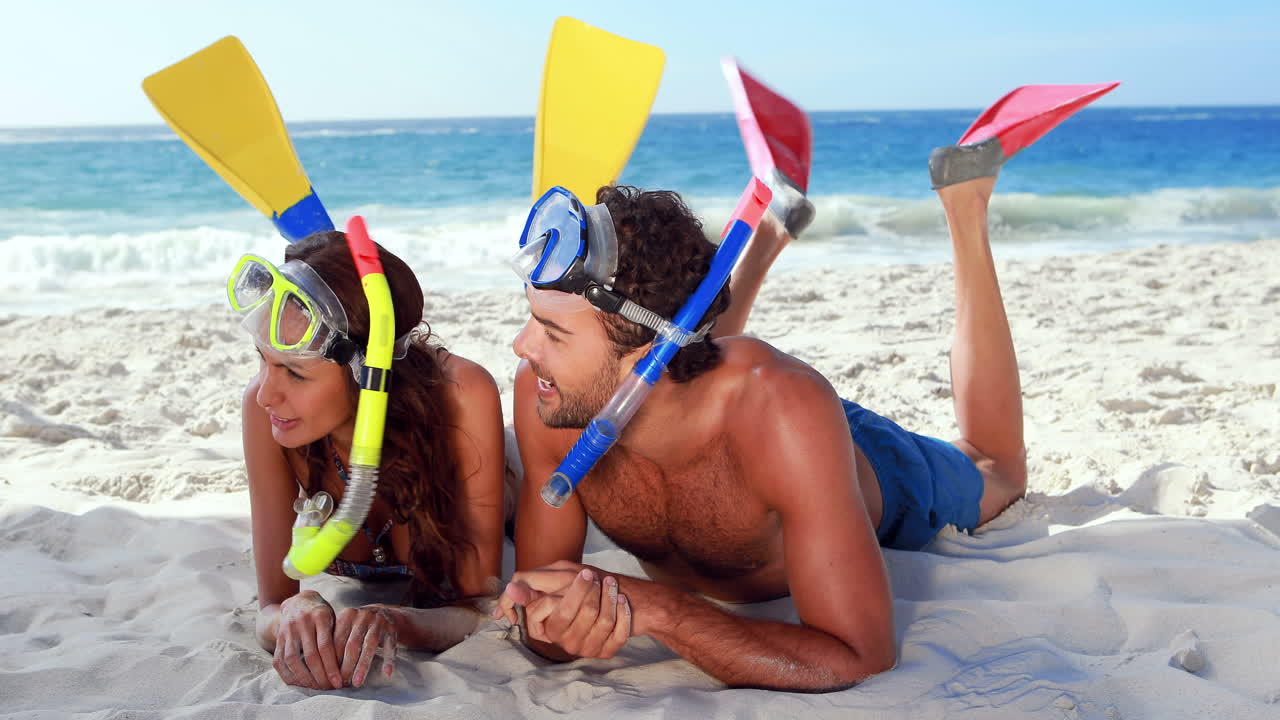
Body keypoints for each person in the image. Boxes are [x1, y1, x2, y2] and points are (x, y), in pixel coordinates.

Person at [494, 144, 1028, 691]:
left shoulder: (786, 416)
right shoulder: (551, 401)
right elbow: (536, 612)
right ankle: (771, 230)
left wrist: (664, 612)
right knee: (684, 362)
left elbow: (857, 655)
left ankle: (966, 206)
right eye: (532, 319)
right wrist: (557, 624)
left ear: (650, 348)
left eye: (554, 333)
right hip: (696, 391)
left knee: (997, 468)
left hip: (829, 452)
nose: (520, 347)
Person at [234, 230, 507, 690]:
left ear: (367, 372)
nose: (265, 393)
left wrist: (394, 621)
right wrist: (293, 615)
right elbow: (271, 606)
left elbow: (477, 608)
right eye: (262, 360)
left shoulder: (463, 398)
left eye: (295, 372)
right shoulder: (266, 416)